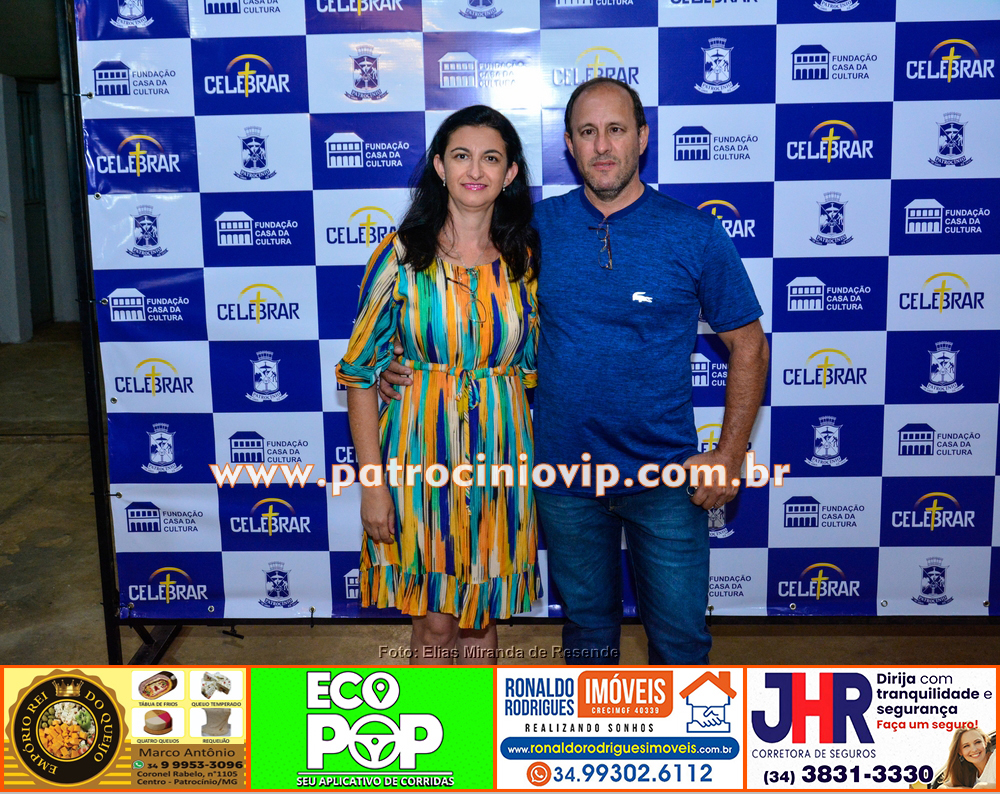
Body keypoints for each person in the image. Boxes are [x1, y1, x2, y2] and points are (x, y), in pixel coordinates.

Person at [381, 78, 768, 665]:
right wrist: (400, 361)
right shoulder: (530, 232)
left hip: (666, 480)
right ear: (568, 143)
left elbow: (749, 346)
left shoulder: (694, 234)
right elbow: (464, 301)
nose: (602, 146)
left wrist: (730, 454)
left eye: (616, 130)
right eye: (588, 132)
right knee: (587, 639)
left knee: (681, 643)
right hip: (563, 480)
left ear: (642, 137)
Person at [336, 105, 541, 664]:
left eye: (491, 158)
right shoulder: (402, 255)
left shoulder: (525, 259)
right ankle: (432, 720)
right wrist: (373, 486)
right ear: (440, 167)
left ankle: (475, 720)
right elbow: (359, 374)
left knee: (480, 622)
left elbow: (534, 365)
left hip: (501, 458)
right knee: (434, 624)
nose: (475, 170)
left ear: (510, 173)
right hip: (419, 456)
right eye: (461, 156)